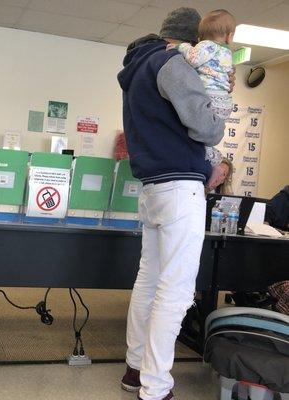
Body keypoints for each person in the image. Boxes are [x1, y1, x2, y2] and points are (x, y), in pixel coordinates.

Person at [117, 7, 226, 400]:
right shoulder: (172, 63)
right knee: (175, 291)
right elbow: (208, 129)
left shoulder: (137, 68)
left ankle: (135, 370)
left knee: (149, 282)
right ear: (191, 41)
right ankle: (156, 386)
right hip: (180, 189)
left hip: (152, 189)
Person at [169, 9, 236, 194]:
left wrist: (181, 47)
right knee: (208, 137)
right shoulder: (227, 53)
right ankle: (213, 157)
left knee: (198, 135)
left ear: (200, 37)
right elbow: (227, 77)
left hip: (210, 99)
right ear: (229, 37)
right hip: (224, 102)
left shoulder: (206, 46)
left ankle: (212, 158)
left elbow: (193, 59)